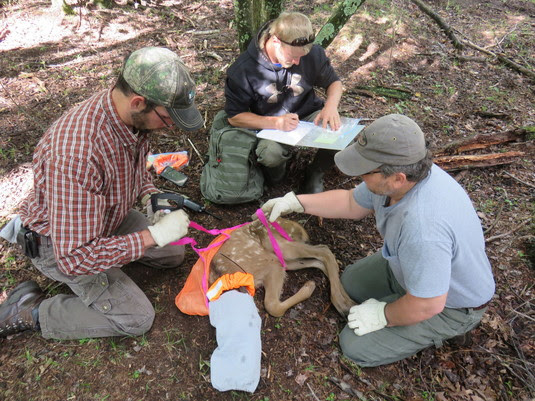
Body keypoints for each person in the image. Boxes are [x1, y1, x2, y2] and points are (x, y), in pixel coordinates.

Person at [256, 114, 495, 366]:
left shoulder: (423, 229)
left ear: (397, 178)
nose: (359, 176)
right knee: (349, 282)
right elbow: (351, 202)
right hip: (407, 268)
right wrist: (296, 202)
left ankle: (444, 328)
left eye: (365, 171)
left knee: (355, 345)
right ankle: (398, 295)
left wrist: (383, 315)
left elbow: (428, 303)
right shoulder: (405, 177)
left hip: (449, 305)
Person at [0, 46, 204, 339]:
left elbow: (136, 166)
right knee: (137, 318)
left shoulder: (130, 118)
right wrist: (151, 236)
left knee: (172, 252)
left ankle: (123, 255)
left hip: (105, 217)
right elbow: (75, 257)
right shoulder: (77, 154)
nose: (170, 126)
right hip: (59, 243)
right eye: (167, 118)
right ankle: (29, 310)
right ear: (138, 102)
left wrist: (150, 196)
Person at [206, 11, 343, 198]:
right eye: (292, 57)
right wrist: (275, 123)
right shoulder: (244, 70)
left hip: (308, 113)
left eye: (302, 57)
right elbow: (235, 117)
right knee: (270, 154)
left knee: (339, 133)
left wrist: (330, 107)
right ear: (276, 41)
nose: (297, 62)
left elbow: (334, 83)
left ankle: (315, 173)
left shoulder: (310, 54)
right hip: (270, 124)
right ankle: (277, 177)